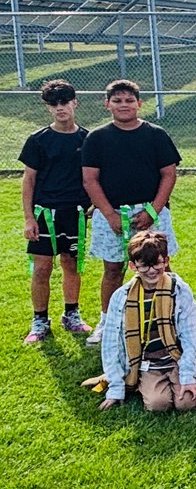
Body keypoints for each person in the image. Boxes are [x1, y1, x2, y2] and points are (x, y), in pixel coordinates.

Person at [81, 79, 182, 347]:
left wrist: (153, 211)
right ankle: (108, 322)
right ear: (107, 105)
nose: (123, 105)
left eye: (129, 100)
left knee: (160, 265)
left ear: (139, 103)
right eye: (117, 100)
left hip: (151, 211)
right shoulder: (97, 138)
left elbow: (169, 174)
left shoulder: (156, 135)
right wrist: (109, 214)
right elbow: (90, 180)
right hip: (111, 213)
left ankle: (168, 317)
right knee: (113, 269)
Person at [95, 231, 196, 412]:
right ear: (133, 266)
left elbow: (190, 336)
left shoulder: (179, 290)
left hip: (176, 358)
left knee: (187, 402)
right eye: (144, 266)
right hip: (147, 365)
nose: (151, 271)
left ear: (166, 261)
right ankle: (150, 384)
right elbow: (111, 343)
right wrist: (115, 389)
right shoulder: (121, 297)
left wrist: (188, 376)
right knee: (158, 405)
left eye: (157, 264)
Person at [21, 79, 92, 342]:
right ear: (48, 108)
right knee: (41, 268)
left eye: (65, 102)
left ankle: (71, 314)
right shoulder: (38, 140)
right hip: (44, 213)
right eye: (54, 104)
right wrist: (29, 218)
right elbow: (28, 179)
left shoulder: (88, 138)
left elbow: (95, 177)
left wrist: (93, 205)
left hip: (74, 213)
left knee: (71, 264)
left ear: (75, 103)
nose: (60, 108)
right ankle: (40, 319)